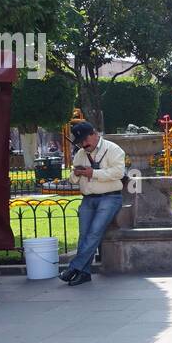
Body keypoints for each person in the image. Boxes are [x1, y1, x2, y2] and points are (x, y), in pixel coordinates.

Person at [61, 122, 126, 286]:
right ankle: (84, 273)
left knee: (94, 233)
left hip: (110, 197)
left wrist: (93, 173)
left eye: (85, 140)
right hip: (88, 198)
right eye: (80, 141)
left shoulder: (113, 149)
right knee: (84, 235)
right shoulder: (81, 154)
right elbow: (73, 179)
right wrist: (76, 174)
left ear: (94, 134)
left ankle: (74, 268)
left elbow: (118, 172)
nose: (83, 144)